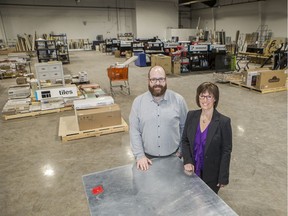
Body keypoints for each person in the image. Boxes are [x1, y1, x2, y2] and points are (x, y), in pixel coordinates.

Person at [129, 65, 188, 171]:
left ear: (166, 80)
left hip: (174, 157)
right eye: (153, 79)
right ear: (148, 80)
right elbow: (134, 131)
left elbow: (185, 128)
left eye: (161, 79)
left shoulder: (179, 101)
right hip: (147, 161)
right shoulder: (138, 102)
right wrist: (140, 156)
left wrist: (181, 151)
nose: (157, 83)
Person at [181, 82, 232, 194]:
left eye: (209, 96)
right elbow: (184, 141)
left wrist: (223, 176)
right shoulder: (191, 116)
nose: (205, 100)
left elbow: (226, 151)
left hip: (211, 175)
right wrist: (187, 161)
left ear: (215, 99)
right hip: (192, 170)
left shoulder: (223, 122)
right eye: (202, 96)